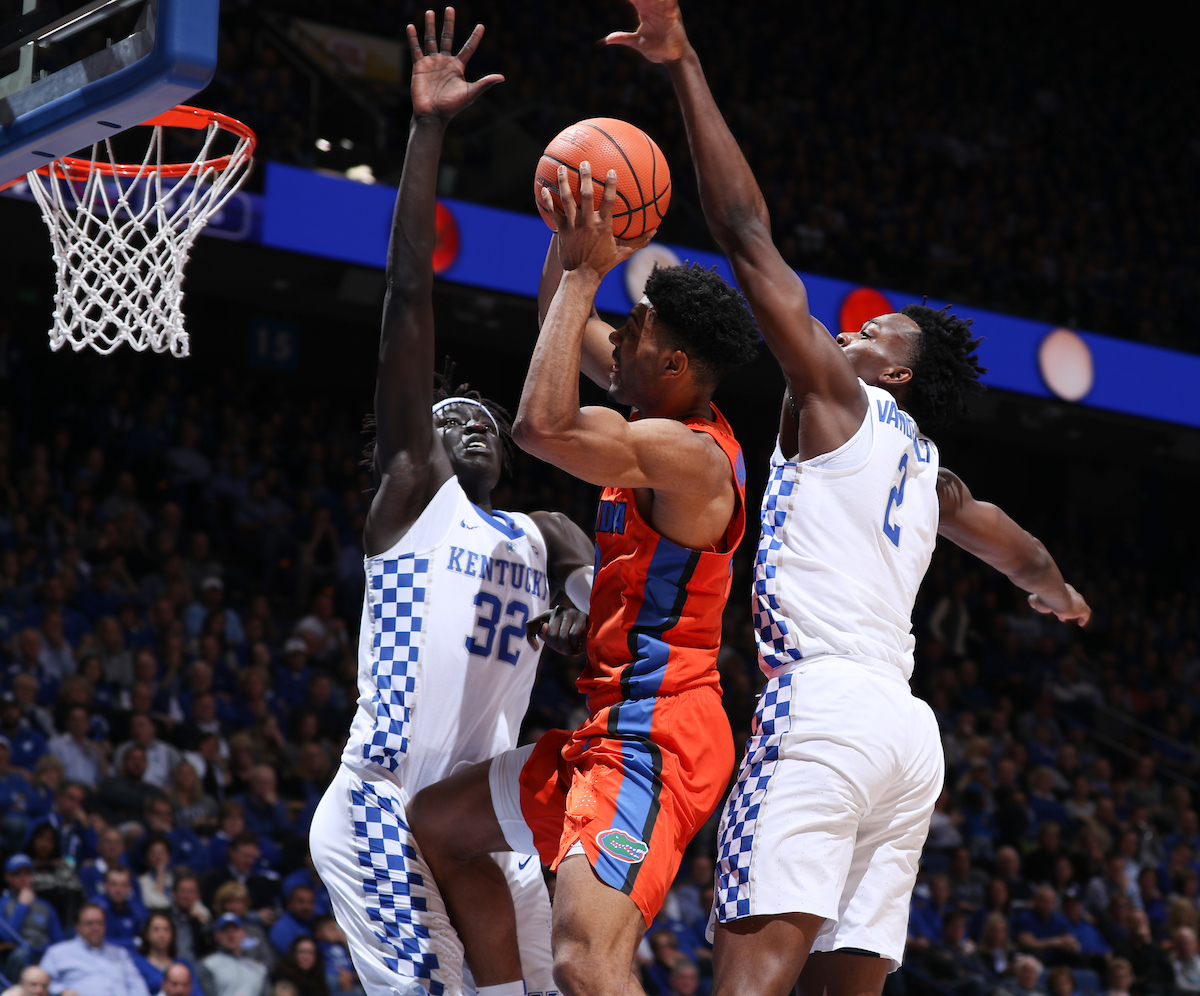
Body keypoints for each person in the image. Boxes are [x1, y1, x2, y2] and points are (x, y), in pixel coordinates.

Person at [599, 3, 1092, 995]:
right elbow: (1022, 551)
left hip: (821, 709)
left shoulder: (835, 400)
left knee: (747, 981)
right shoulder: (936, 480)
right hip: (909, 742)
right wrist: (1059, 595)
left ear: (894, 375)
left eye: (877, 334)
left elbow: (743, 233)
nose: (852, 333)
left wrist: (686, 64)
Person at [411, 22, 763, 996]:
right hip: (609, 715)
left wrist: (580, 275)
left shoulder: (685, 455)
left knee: (585, 958)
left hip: (660, 736)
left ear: (677, 364)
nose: (621, 333)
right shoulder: (655, 401)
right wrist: (570, 239)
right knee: (437, 828)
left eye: (637, 329)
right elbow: (555, 337)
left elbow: (537, 424)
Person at [306, 12, 593, 996]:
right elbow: (407, 304)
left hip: (476, 819)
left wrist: (576, 603)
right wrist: (426, 131)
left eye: (482, 419)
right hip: (384, 810)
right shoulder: (411, 501)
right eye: (446, 418)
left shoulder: (537, 528)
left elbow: (576, 560)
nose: (467, 425)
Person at [39, 903, 151, 996]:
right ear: (77, 926)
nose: (95, 928)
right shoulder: (58, 952)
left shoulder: (120, 953)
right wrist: (61, 991)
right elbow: (38, 982)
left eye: (99, 923)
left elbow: (137, 985)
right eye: (89, 923)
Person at [0, 853, 63, 978]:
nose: (23, 878)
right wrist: (22, 906)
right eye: (17, 874)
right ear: (7, 877)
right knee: (20, 954)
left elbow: (58, 941)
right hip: (16, 958)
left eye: (27, 873)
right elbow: (8, 937)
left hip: (43, 955)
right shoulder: (2, 904)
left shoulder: (45, 906)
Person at [131, 912, 201, 996]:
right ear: (146, 934)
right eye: (156, 929)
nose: (161, 934)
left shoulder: (184, 965)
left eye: (166, 929)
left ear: (173, 934)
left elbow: (197, 993)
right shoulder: (136, 963)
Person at [197, 913, 269, 996]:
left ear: (243, 933)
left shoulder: (259, 969)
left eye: (235, 930)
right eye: (225, 931)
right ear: (216, 936)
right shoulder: (207, 965)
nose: (231, 935)